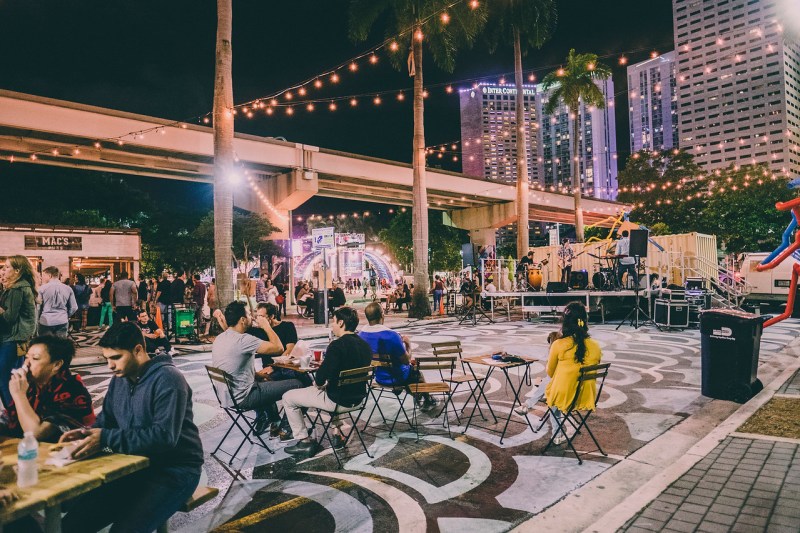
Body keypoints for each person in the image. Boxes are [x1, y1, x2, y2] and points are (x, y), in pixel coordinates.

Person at [59, 322, 204, 533]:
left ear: (138, 350)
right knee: (73, 524)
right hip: (134, 465)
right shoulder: (119, 379)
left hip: (174, 470)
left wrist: (106, 439)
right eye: (107, 359)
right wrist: (86, 435)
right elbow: (106, 421)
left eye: (116, 358)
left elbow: (164, 437)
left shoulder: (168, 379)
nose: (110, 365)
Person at [283, 307, 373, 457]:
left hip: (337, 400)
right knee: (332, 388)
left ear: (341, 323)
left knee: (288, 397)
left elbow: (320, 379)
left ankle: (304, 441)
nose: (332, 325)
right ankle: (337, 432)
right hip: (358, 399)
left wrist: (319, 384)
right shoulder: (365, 345)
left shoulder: (337, 346)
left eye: (334, 322)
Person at [211, 301, 301, 436]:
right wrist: (266, 326)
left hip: (227, 397)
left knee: (266, 381)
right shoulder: (244, 339)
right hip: (245, 397)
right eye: (248, 314)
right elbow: (279, 348)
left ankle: (274, 421)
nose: (252, 317)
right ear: (242, 320)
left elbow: (235, 367)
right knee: (299, 384)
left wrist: (258, 375)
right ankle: (286, 428)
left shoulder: (220, 338)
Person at [1, 335, 95, 441]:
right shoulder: (32, 385)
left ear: (57, 365)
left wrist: (19, 395)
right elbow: (9, 419)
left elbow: (36, 434)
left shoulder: (71, 389)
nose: (26, 364)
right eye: (26, 357)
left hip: (68, 451)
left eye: (35, 358)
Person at [542, 301, 602, 444]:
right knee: (554, 387)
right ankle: (557, 433)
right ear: (585, 321)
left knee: (550, 391)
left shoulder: (559, 344)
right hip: (587, 395)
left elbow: (550, 372)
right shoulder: (595, 345)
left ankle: (557, 434)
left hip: (565, 395)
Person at [359, 303, 436, 410]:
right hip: (397, 377)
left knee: (411, 373)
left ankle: (418, 395)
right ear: (382, 315)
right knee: (417, 373)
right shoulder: (392, 335)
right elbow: (406, 360)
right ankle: (427, 399)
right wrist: (408, 344)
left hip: (379, 377)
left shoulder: (361, 335)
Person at [0, 256, 37, 408]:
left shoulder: (17, 288)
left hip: (12, 338)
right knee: (15, 375)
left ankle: (13, 412)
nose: (3, 270)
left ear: (17, 270)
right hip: (18, 339)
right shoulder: (20, 286)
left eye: (7, 267)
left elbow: (9, 317)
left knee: (5, 377)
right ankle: (16, 412)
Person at [38, 266, 77, 338]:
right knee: (60, 345)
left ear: (49, 275)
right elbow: (74, 307)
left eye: (43, 275)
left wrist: (37, 319)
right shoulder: (68, 288)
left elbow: (38, 307)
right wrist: (66, 315)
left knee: (45, 345)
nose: (41, 278)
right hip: (62, 320)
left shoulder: (42, 288)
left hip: (46, 320)